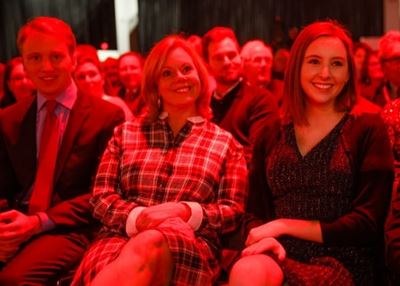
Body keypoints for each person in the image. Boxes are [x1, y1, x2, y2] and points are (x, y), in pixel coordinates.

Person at [71, 35, 247, 286]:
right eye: (167, 73)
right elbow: (101, 198)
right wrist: (140, 217)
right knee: (117, 261)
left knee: (151, 242)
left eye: (187, 69)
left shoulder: (227, 144)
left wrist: (185, 211)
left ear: (200, 76)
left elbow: (232, 211)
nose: (180, 78)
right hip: (118, 238)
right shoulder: (125, 133)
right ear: (154, 85)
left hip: (190, 246)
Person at [229, 21, 394, 286]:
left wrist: (283, 225)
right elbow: (254, 213)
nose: (325, 73)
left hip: (343, 259)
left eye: (337, 64)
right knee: (247, 270)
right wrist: (268, 236)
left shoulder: (367, 128)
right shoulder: (272, 132)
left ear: (350, 72)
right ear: (296, 67)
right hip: (277, 250)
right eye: (314, 61)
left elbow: (367, 223)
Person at [0, 16, 124, 284]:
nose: (46, 67)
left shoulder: (107, 116)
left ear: (74, 59)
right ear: (23, 63)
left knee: (13, 279)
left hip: (70, 227)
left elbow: (101, 194)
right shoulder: (9, 119)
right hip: (16, 222)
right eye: (34, 58)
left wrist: (38, 223)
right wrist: (4, 232)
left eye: (56, 57)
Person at [202, 27, 279, 163]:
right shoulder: (204, 104)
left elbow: (259, 154)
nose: (227, 62)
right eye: (219, 58)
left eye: (232, 55)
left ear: (240, 58)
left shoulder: (261, 99)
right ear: (207, 66)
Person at [74, 55, 133, 120]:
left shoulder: (116, 103)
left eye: (92, 74)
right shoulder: (74, 108)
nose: (87, 80)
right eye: (81, 77)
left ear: (102, 78)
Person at [241, 39, 284, 106]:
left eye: (267, 60)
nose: (264, 64)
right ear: (245, 65)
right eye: (257, 60)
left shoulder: (283, 90)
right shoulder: (237, 93)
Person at [117, 51, 145, 116]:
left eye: (133, 68)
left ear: (142, 69)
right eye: (124, 69)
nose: (129, 72)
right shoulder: (116, 95)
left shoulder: (150, 95)